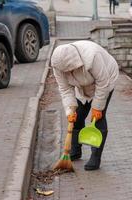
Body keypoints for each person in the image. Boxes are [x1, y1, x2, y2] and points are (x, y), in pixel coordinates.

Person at [51, 40, 119, 171]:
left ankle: (96, 156)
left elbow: (103, 82)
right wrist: (70, 110)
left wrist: (97, 107)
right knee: (77, 116)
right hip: (81, 86)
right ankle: (75, 151)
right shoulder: (58, 66)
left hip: (105, 80)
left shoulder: (92, 57)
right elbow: (65, 89)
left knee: (98, 118)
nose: (68, 73)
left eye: (70, 69)